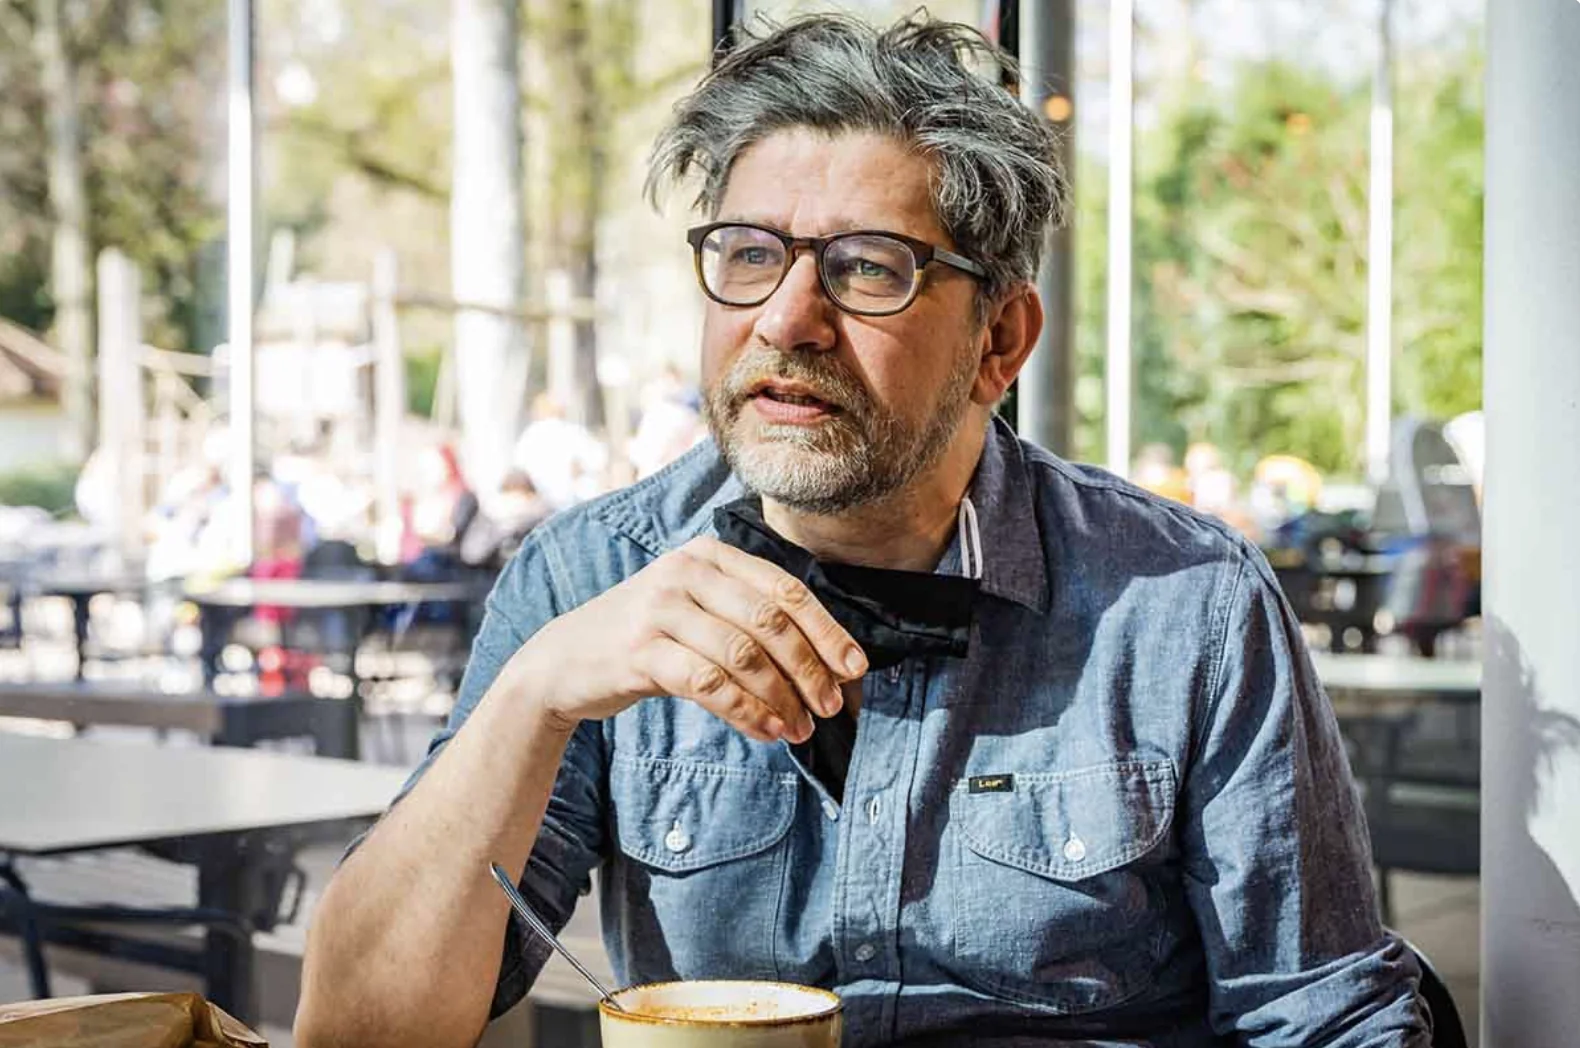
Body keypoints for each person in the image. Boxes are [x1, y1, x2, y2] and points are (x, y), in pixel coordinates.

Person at [297, 15, 1428, 1048]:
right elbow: (360, 1032)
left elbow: (1327, 1020)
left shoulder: (1185, 605)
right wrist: (535, 695)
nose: (786, 319)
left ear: (999, 342)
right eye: (749, 254)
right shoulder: (589, 576)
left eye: (868, 269)